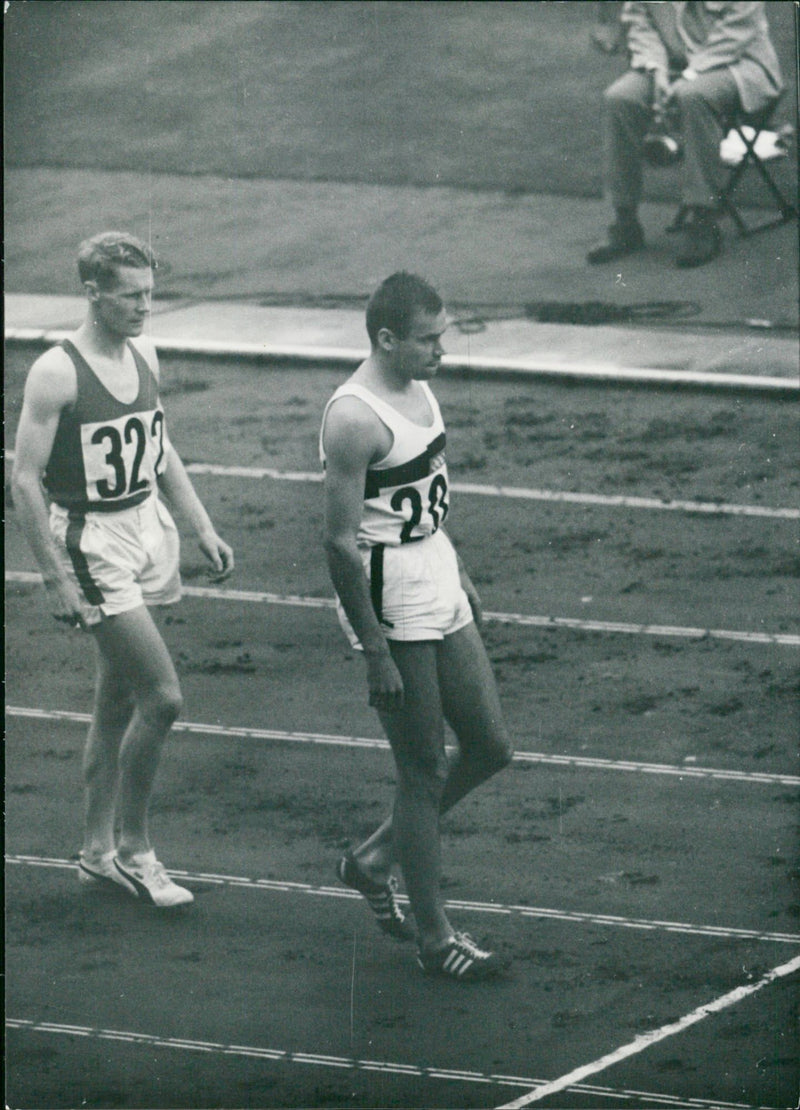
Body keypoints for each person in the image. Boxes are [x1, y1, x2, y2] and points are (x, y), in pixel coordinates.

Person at [11, 231, 234, 908]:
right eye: (132, 295)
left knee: (114, 703)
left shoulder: (145, 351)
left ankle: (94, 853)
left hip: (145, 528)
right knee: (162, 698)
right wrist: (55, 579)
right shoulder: (56, 371)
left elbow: (160, 449)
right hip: (91, 541)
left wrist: (199, 524)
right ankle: (136, 850)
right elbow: (23, 481)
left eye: (149, 293)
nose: (145, 306)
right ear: (94, 293)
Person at [320, 272, 513, 981]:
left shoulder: (421, 388)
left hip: (433, 570)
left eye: (444, 336)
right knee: (423, 772)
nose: (442, 351)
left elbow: (426, 489)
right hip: (389, 595)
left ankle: (373, 858)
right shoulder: (352, 418)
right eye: (429, 339)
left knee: (490, 747)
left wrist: (454, 568)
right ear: (387, 339)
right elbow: (340, 543)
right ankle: (435, 940)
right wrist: (375, 650)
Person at [586, 1, 783, 268]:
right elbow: (641, 25)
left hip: (740, 67)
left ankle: (704, 220)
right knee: (619, 99)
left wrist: (689, 76)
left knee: (693, 96)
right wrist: (657, 72)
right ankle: (624, 223)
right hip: (673, 68)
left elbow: (734, 36)